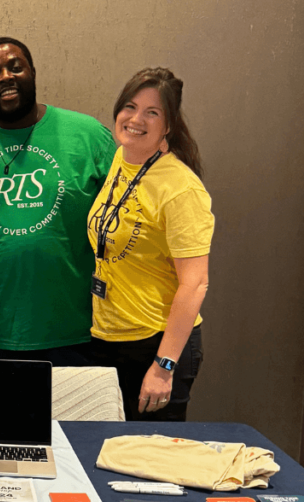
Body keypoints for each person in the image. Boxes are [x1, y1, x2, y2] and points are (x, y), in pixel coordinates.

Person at [0, 37, 116, 365]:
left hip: (77, 333)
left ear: (33, 72)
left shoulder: (89, 136)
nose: (5, 77)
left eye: (15, 67)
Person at [85, 67, 213, 421]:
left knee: (148, 465)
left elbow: (195, 282)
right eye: (129, 106)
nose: (135, 119)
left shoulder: (180, 189)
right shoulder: (121, 159)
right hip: (107, 339)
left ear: (169, 125)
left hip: (154, 346)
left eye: (152, 112)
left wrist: (163, 366)